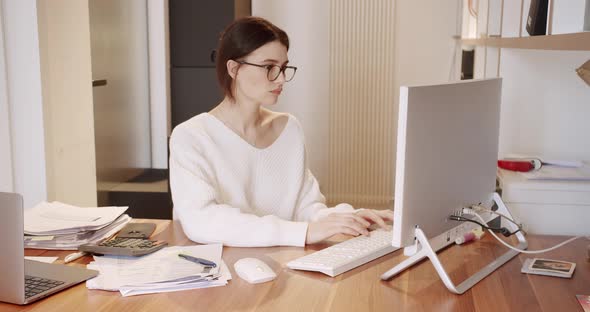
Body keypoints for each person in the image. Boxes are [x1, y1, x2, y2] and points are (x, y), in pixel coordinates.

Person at [169, 16, 392, 247]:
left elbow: (306, 207)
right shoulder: (191, 136)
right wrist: (303, 233)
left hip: (281, 263)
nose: (282, 79)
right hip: (217, 271)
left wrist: (348, 218)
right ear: (234, 68)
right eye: (269, 67)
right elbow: (202, 221)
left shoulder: (289, 128)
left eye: (283, 68)